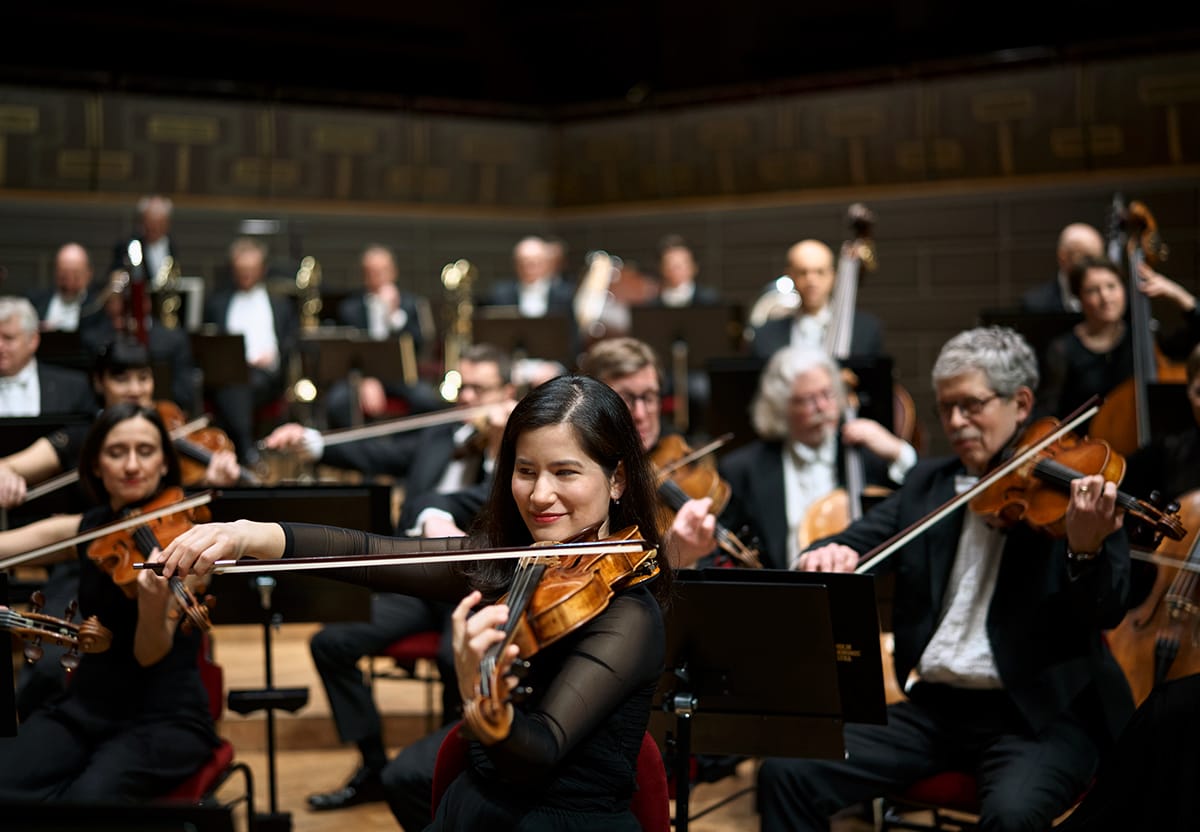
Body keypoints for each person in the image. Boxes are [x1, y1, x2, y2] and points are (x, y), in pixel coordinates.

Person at [160, 374, 672, 831]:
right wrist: (247, 534)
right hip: (475, 806)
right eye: (526, 470)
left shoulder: (629, 613)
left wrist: (479, 694)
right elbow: (369, 552)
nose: (539, 495)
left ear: (618, 479)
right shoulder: (516, 560)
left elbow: (537, 755)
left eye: (565, 472)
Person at [756, 326, 1133, 832]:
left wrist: (1085, 548)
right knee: (786, 772)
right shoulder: (927, 485)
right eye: (945, 408)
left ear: (1020, 403)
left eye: (971, 405)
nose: (956, 422)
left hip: (1038, 716)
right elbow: (852, 538)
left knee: (1013, 815)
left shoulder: (1074, 493)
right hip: (936, 710)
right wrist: (831, 552)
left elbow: (1108, 608)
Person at [263, 342, 517, 812]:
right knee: (331, 643)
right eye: (465, 388)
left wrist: (502, 444)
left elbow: (501, 502)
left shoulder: (517, 449)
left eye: (482, 390)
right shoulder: (441, 436)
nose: (468, 401)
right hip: (417, 580)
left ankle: (453, 772)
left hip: (477, 586)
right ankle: (374, 766)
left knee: (453, 657)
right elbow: (377, 452)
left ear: (507, 393)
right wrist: (314, 443)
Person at [0, 336, 241, 720]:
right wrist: (6, 474)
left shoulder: (163, 432)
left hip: (146, 588)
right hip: (86, 554)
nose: (134, 389)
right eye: (121, 379)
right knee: (48, 668)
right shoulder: (85, 439)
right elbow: (14, 470)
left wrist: (216, 475)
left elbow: (186, 502)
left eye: (143, 378)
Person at [0, 403, 220, 801]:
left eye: (146, 451)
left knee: (87, 802)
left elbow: (151, 654)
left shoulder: (190, 542)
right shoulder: (91, 528)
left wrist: (154, 606)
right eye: (116, 453)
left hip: (163, 719)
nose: (132, 465)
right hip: (86, 707)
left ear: (166, 464)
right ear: (97, 465)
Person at [717, 344, 916, 571]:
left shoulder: (866, 453)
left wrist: (898, 451)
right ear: (781, 408)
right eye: (807, 400)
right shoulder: (742, 469)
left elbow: (920, 497)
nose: (822, 407)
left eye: (828, 394)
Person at [578, 336, 718, 568]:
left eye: (649, 397)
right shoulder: (580, 477)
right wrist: (671, 557)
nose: (641, 414)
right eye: (626, 399)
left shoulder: (683, 459)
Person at [1039, 255, 1200, 423]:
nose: (1105, 297)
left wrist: (1178, 295)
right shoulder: (1063, 349)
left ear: (1124, 290)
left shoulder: (1144, 339)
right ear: (1079, 298)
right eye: (1093, 290)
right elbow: (1047, 414)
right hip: (1084, 446)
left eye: (1112, 286)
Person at [203, 236, 298, 463]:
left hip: (266, 377)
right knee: (233, 384)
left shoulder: (280, 304)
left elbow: (289, 345)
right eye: (241, 270)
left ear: (262, 269)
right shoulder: (218, 304)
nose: (246, 275)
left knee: (240, 386)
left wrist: (271, 358)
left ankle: (240, 450)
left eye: (251, 270)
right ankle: (247, 450)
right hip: (228, 375)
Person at [322, 244, 440, 427]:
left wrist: (393, 315)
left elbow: (419, 347)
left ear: (394, 272)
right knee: (337, 401)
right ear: (364, 275)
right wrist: (363, 382)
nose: (377, 276)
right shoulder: (350, 307)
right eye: (371, 271)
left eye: (382, 270)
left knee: (427, 399)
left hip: (402, 377)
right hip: (360, 377)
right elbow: (346, 353)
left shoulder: (411, 304)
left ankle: (407, 448)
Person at [750, 239, 884, 361]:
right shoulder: (765, 335)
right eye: (803, 272)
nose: (811, 281)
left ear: (833, 276)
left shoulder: (867, 329)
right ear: (790, 276)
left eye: (820, 272)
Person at [0, 296, 94, 418]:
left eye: (9, 338)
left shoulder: (72, 386)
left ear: (33, 340)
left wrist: (56, 438)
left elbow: (84, 430)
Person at [1020, 222, 1105, 314]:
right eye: (1087, 258)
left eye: (1099, 258)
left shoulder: (1110, 301)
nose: (1095, 266)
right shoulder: (1035, 304)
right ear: (1063, 257)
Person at [27, 243, 96, 332]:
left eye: (76, 276)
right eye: (63, 275)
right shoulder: (35, 300)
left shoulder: (97, 306)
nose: (69, 282)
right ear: (56, 272)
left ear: (88, 274)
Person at [110, 194, 176, 282]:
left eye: (160, 224)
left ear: (167, 223)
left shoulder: (171, 245)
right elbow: (116, 275)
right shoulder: (129, 245)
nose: (155, 228)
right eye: (151, 224)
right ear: (142, 222)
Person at [647, 235, 720, 308]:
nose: (677, 270)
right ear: (661, 268)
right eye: (671, 265)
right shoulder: (652, 305)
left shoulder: (709, 300)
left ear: (694, 267)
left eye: (682, 264)